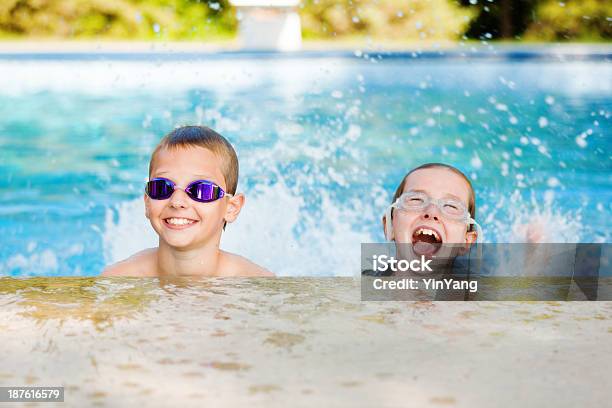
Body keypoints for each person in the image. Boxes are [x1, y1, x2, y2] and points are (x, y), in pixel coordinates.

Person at [102, 125, 273, 277]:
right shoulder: (118, 280)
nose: (177, 201)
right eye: (162, 187)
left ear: (231, 208)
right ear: (147, 202)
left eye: (201, 190)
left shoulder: (255, 285)